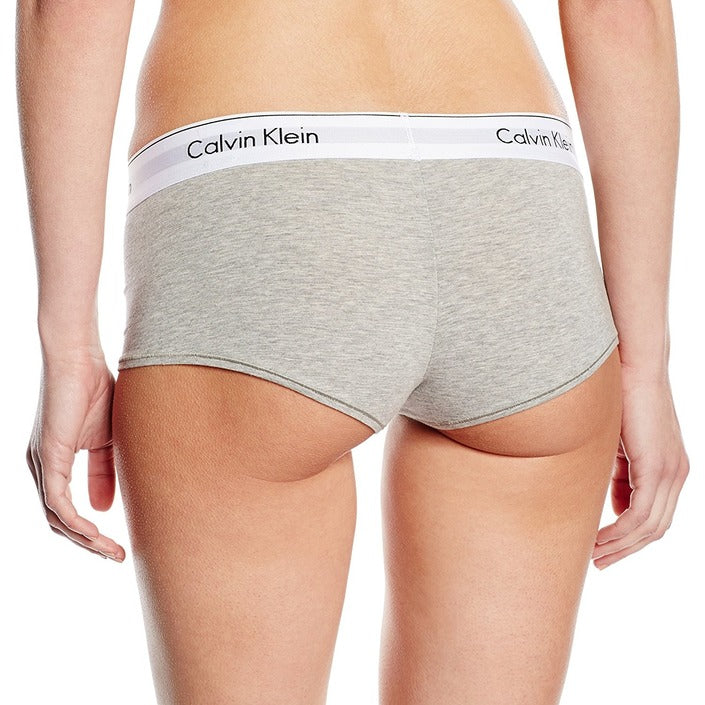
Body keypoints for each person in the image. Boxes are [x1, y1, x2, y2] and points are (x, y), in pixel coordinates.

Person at [16, 0, 688, 703]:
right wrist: (644, 368)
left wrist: (68, 346)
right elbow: (622, 13)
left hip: (262, 172)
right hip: (515, 188)